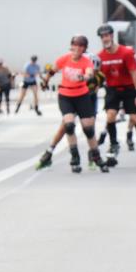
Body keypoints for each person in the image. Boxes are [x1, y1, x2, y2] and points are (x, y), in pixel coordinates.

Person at [36, 35, 112, 173]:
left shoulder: (86, 62)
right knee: (69, 125)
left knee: (88, 129)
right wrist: (45, 81)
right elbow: (52, 70)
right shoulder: (64, 58)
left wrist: (83, 77)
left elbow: (89, 74)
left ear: (84, 49)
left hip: (82, 96)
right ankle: (75, 157)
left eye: (80, 46)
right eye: (75, 45)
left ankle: (96, 156)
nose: (77, 48)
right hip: (66, 96)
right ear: (72, 46)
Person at [95, 24, 136, 161]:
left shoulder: (125, 52)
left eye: (107, 35)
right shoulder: (100, 56)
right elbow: (97, 76)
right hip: (112, 89)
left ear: (112, 36)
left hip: (129, 89)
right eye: (102, 37)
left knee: (135, 118)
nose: (105, 39)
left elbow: (134, 73)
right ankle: (114, 144)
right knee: (110, 116)